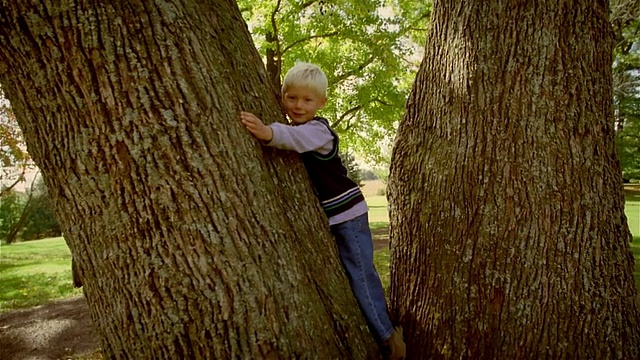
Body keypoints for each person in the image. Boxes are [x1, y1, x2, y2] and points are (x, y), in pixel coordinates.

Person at [240, 62, 406, 359]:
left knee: (361, 274)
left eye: (307, 100)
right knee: (353, 272)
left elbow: (294, 139)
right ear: (282, 97)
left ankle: (389, 338)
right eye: (291, 98)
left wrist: (267, 132)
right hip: (337, 216)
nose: (298, 105)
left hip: (349, 214)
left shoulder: (318, 131)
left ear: (321, 103)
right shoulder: (299, 127)